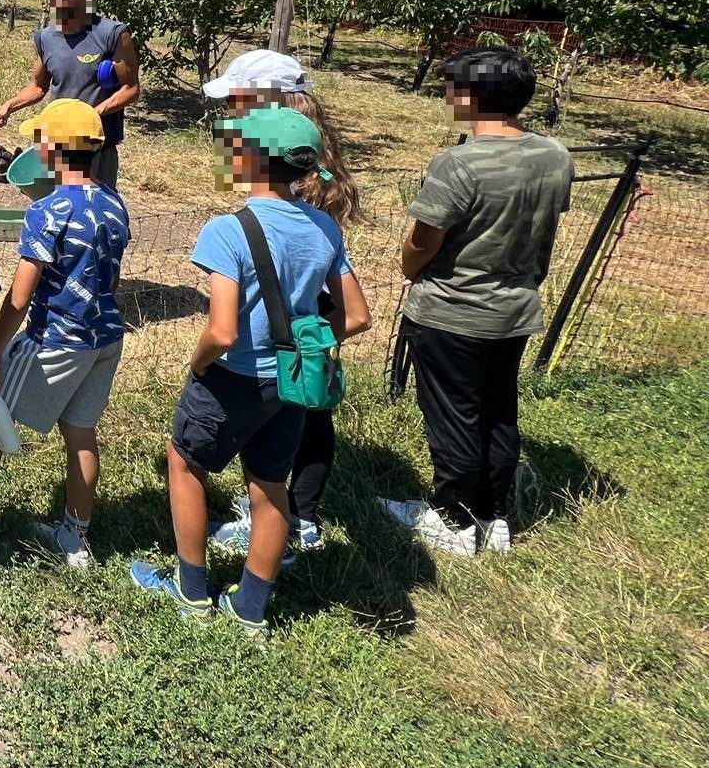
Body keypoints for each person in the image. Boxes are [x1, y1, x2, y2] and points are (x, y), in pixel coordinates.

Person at [130, 106, 370, 635]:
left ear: (251, 159)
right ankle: (251, 609)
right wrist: (307, 340)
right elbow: (356, 316)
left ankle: (191, 592)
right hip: (291, 382)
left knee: (186, 464)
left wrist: (197, 367)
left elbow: (221, 331)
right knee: (269, 486)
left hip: (232, 378)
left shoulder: (228, 230)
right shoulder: (324, 226)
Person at [380, 47, 574, 558]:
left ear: (470, 97)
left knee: (453, 417)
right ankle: (493, 515)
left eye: (451, 87)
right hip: (515, 309)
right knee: (497, 413)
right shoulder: (555, 155)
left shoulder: (459, 162)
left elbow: (425, 240)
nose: (446, 95)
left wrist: (411, 269)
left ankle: (451, 520)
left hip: (453, 309)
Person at [0, 99, 130, 569]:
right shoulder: (114, 201)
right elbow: (113, 279)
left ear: (54, 148)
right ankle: (75, 538)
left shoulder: (48, 209)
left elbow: (20, 296)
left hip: (55, 340)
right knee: (81, 434)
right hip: (105, 336)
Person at [201, 49, 363, 565]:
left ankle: (288, 518)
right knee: (304, 406)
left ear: (265, 99)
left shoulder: (290, 171)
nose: (229, 111)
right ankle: (298, 516)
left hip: (281, 325)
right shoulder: (307, 155)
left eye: (237, 100)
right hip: (303, 322)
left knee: (293, 419)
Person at [0, 0, 140, 190]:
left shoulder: (112, 34)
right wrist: (8, 106)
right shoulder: (47, 38)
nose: (55, 3)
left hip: (95, 148)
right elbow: (38, 86)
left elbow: (131, 88)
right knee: (55, 209)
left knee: (94, 210)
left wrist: (91, 115)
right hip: (56, 147)